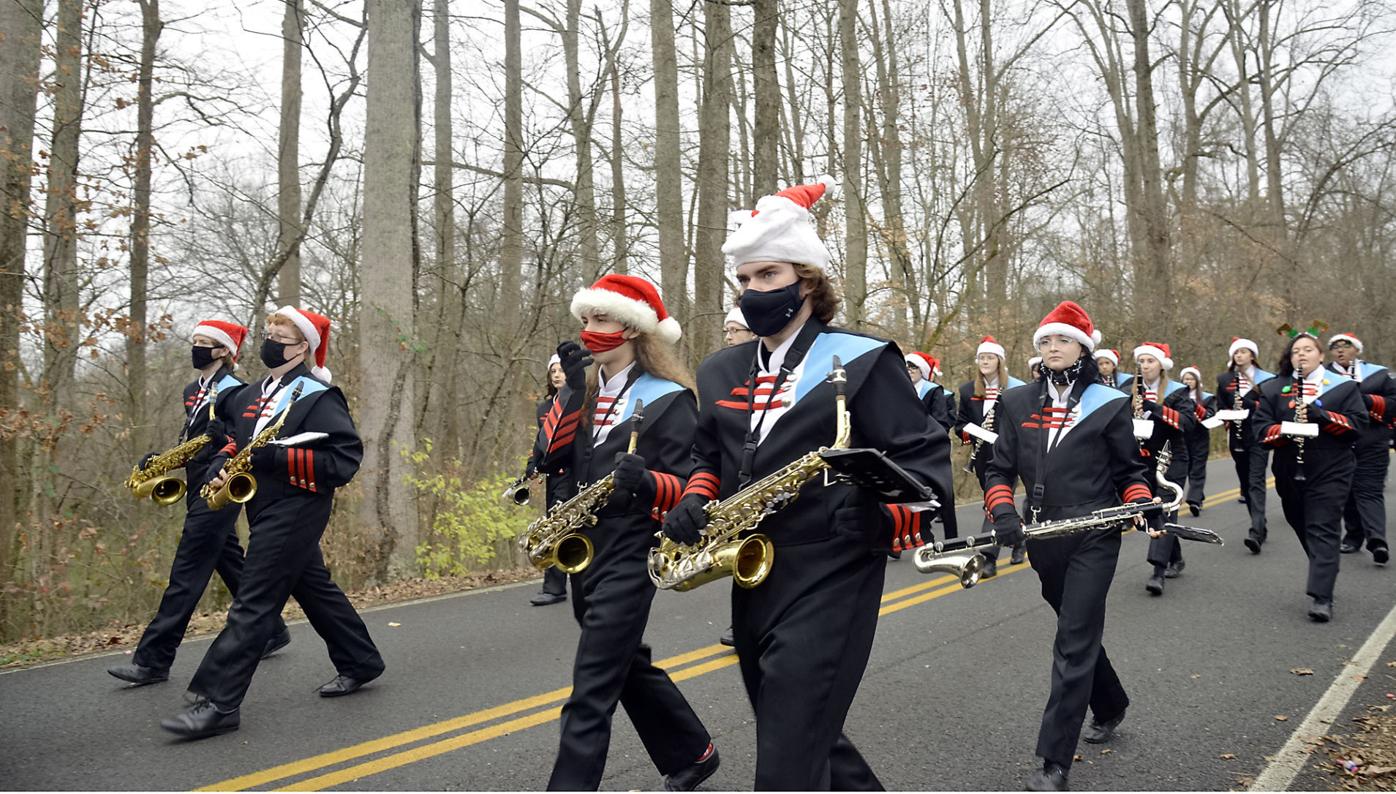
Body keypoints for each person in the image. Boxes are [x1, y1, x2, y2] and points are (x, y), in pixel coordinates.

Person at [662, 177, 950, 790]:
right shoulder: (719, 370)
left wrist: (881, 520)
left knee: (788, 754)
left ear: (808, 281)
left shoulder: (864, 360)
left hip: (836, 567)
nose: (752, 292)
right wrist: (693, 498)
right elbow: (706, 454)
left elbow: (926, 469)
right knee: (797, 729)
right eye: (743, 280)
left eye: (767, 276)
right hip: (754, 572)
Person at [160, 307, 384, 739]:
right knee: (313, 586)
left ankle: (221, 701)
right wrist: (220, 467)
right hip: (259, 505)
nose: (272, 340)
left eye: (282, 334)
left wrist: (277, 457)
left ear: (303, 347)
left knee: (254, 597)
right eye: (269, 332)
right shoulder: (248, 395)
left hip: (299, 504)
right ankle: (361, 660)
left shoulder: (318, 396)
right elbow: (232, 441)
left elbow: (344, 459)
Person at [533, 274, 717, 791]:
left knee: (592, 683)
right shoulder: (583, 393)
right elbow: (548, 460)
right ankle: (692, 751)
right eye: (585, 320)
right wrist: (568, 393)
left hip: (633, 547)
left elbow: (691, 484)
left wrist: (649, 483)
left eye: (601, 319)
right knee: (623, 660)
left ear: (633, 328)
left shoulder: (671, 399)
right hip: (583, 548)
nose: (589, 330)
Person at [982, 301, 1157, 792]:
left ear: (1083, 347)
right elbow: (996, 469)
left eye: (1061, 340)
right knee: (1074, 629)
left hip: (1096, 533)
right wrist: (1002, 511)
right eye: (1044, 341)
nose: (1052, 347)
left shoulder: (1110, 402)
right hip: (1042, 537)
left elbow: (1129, 472)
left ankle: (1053, 762)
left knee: (1072, 639)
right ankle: (1111, 702)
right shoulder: (1016, 403)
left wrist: (1142, 505)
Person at [108, 320, 290, 686]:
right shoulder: (194, 390)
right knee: (226, 557)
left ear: (224, 351)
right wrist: (162, 459)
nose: (196, 348)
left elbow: (240, 440)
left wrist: (220, 445)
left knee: (187, 570)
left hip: (220, 486)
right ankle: (272, 630)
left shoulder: (237, 391)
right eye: (194, 342)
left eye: (204, 343)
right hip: (195, 484)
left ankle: (153, 659)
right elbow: (193, 439)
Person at [1255, 329, 1367, 621]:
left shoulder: (1343, 388)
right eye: (1295, 351)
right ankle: (1323, 564)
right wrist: (1285, 429)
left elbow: (1358, 425)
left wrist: (1323, 417)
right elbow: (1260, 430)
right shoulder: (1272, 389)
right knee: (1301, 522)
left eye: (1307, 349)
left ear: (1320, 355)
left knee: (1323, 525)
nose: (1301, 355)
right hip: (1289, 469)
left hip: (1332, 467)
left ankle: (1321, 596)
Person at [1122, 342, 1195, 595]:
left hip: (1171, 457)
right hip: (1140, 459)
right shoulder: (1126, 389)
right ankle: (1175, 557)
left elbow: (1187, 423)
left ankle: (1158, 571)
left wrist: (1154, 408)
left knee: (1164, 507)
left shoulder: (1178, 392)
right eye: (1141, 361)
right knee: (1152, 512)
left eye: (1150, 361)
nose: (1144, 365)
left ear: (1161, 365)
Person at [954, 335, 1027, 574]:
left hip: (1009, 454)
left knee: (992, 501)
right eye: (981, 357)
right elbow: (960, 425)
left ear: (999, 361)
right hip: (983, 456)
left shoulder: (1016, 388)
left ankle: (988, 557)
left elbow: (1023, 423)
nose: (984, 361)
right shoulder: (967, 390)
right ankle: (1019, 540)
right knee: (997, 502)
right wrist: (972, 434)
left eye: (989, 357)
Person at [1325, 332, 1393, 565]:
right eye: (1335, 347)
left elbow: (1394, 403)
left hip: (1373, 441)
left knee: (1369, 490)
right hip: (1338, 442)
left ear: (1357, 349)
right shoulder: (1323, 376)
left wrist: (1366, 400)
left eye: (1345, 346)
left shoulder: (1379, 374)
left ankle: (1377, 540)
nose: (1340, 350)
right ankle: (1354, 535)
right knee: (1347, 493)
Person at [1217, 337, 1276, 553]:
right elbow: (1220, 405)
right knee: (1245, 483)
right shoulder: (1224, 379)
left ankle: (1256, 531)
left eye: (1243, 352)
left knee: (1256, 481)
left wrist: (1249, 405)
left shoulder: (1267, 379)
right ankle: (1260, 522)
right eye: (1236, 352)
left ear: (1252, 355)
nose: (1239, 355)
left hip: (1258, 435)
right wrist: (1226, 414)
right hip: (1237, 437)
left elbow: (1271, 406)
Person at [525, 355, 572, 606]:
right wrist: (533, 466)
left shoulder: (580, 404)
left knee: (571, 530)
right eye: (553, 370)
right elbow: (540, 443)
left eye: (562, 370)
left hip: (577, 475)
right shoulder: (544, 409)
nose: (557, 375)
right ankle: (555, 588)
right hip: (554, 478)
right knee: (554, 530)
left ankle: (568, 586)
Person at [905, 351, 959, 540]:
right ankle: (919, 535)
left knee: (944, 492)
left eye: (913, 367)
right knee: (910, 492)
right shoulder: (901, 390)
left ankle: (951, 537)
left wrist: (926, 438)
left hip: (933, 448)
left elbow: (942, 421)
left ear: (922, 370)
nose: (909, 371)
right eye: (907, 367)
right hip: (907, 449)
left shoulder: (934, 390)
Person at [1177, 365, 1216, 517]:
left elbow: (1210, 416)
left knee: (1197, 469)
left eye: (1191, 379)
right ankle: (1198, 495)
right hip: (1182, 437)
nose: (1188, 382)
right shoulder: (1177, 396)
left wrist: (1195, 406)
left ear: (1197, 381)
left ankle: (1194, 500)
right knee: (1184, 467)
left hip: (1200, 437)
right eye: (1185, 379)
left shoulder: (1207, 398)